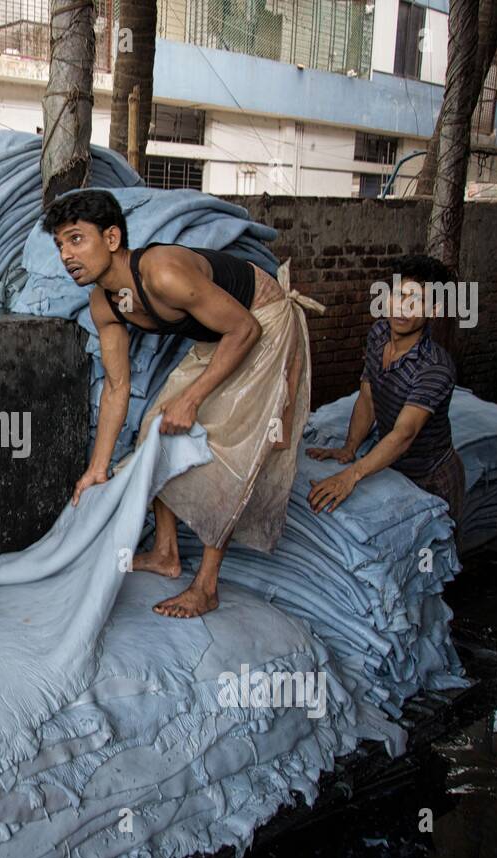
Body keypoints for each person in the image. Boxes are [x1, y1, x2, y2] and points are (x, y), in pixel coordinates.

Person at [46, 189, 320, 619]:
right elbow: (118, 387)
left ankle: (206, 586)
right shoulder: (104, 303)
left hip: (261, 323)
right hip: (221, 336)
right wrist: (97, 468)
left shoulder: (163, 273)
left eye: (76, 239)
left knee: (223, 448)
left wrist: (192, 399)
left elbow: (245, 329)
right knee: (155, 427)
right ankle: (166, 552)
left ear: (112, 238)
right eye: (59, 244)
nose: (66, 254)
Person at [306, 254, 465, 534]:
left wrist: (350, 476)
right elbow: (368, 395)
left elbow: (404, 434)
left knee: (430, 556)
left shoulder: (435, 367)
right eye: (400, 295)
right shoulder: (379, 333)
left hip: (430, 478)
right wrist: (349, 448)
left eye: (418, 301)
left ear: (435, 310)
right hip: (392, 468)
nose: (404, 307)